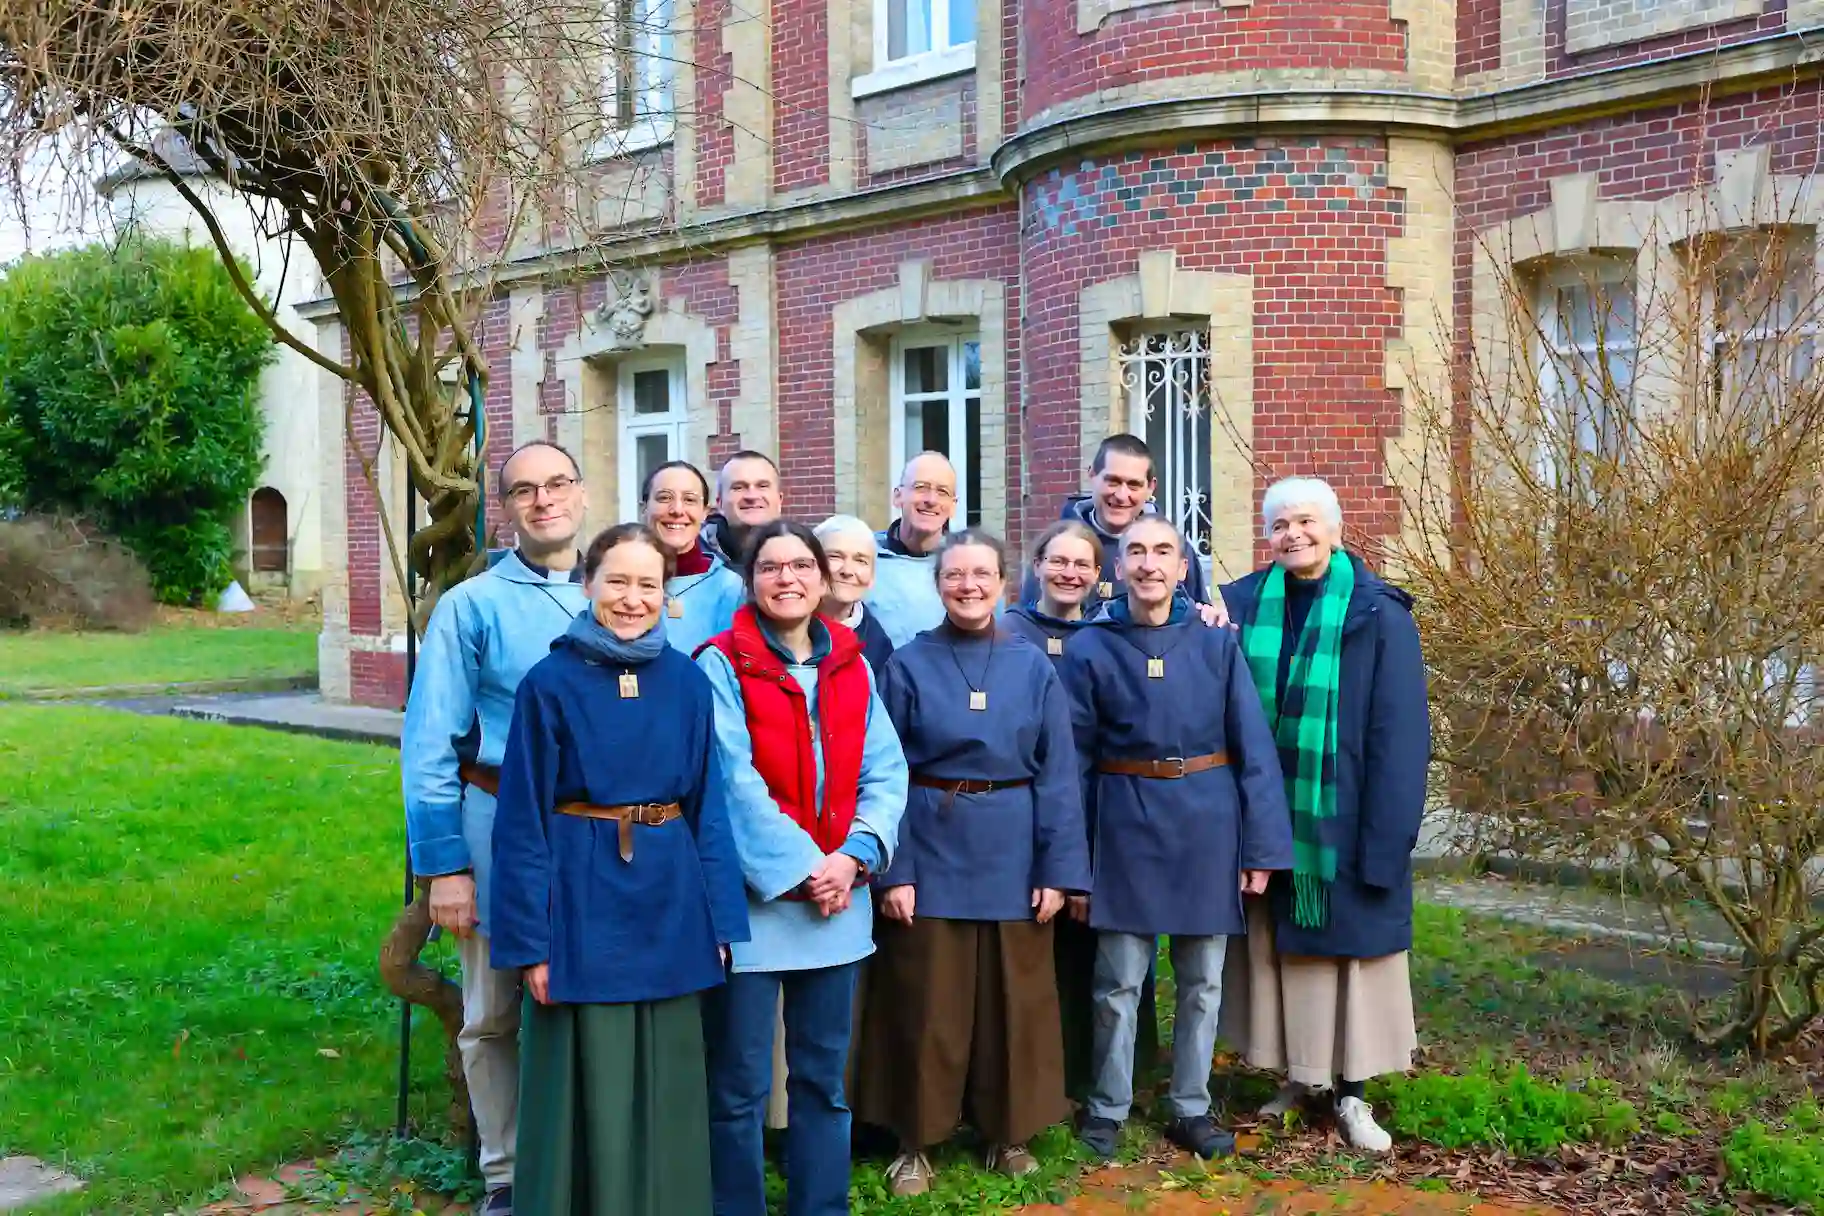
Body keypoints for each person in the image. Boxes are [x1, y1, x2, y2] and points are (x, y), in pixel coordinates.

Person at [489, 523, 750, 1216]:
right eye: (619, 582)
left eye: (649, 585)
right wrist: (530, 943)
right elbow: (520, 822)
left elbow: (710, 809)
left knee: (668, 1066)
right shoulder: (548, 684)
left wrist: (721, 920)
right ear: (588, 585)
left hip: (670, 895)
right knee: (589, 1067)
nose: (633, 599)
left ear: (667, 597)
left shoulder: (689, 682)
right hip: (580, 893)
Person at [856, 529, 1089, 1195]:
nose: (968, 586)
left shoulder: (1032, 667)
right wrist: (893, 871)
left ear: (1005, 585)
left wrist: (1057, 870)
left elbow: (1060, 776)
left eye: (981, 574)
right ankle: (916, 1139)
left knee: (1014, 1002)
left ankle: (1005, 1132)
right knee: (928, 1001)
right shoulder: (906, 664)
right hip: (929, 844)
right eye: (955, 575)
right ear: (939, 585)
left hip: (1014, 850)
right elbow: (885, 773)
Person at [1060, 515, 1292, 1162]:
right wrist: (1074, 863)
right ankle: (1107, 1106)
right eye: (1135, 551)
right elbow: (1071, 763)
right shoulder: (1090, 648)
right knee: (1118, 983)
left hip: (1206, 824)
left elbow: (1252, 746)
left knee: (1203, 982)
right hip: (1123, 822)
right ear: (1118, 567)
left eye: (1163, 551)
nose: (1149, 563)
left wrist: (1262, 847)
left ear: (1183, 568)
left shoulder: (1216, 643)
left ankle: (1189, 1105)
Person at [695, 520, 909, 1216]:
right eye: (771, 568)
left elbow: (885, 771)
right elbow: (731, 782)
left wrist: (852, 859)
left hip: (837, 906)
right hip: (757, 907)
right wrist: (802, 868)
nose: (787, 579)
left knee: (822, 1080)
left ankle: (821, 1207)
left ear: (823, 580)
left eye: (800, 566)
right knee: (739, 1086)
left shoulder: (853, 662)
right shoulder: (719, 663)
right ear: (751, 582)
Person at [400, 439, 591, 1216]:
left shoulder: (624, 588)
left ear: (580, 493)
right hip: (495, 821)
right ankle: (508, 1172)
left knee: (589, 998)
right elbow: (428, 743)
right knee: (493, 1011)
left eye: (556, 485)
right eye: (523, 491)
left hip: (600, 837)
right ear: (504, 508)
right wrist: (445, 865)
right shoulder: (470, 606)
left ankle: (587, 1153)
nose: (542, 500)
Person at [1216, 478, 1430, 1154]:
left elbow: (1402, 737)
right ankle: (1299, 1077)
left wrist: (1386, 843)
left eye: (1306, 521)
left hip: (1344, 820)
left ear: (1335, 531)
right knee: (1278, 959)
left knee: (1350, 965)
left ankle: (1354, 1093)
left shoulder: (1380, 614)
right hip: (1269, 822)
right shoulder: (1243, 606)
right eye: (1279, 524)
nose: (1292, 534)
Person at [1001, 520, 1155, 1104]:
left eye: (1082, 564)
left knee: (1109, 944)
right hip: (1025, 803)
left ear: (1098, 576)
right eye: (1057, 561)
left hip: (1103, 802)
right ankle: (1045, 1077)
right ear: (1036, 565)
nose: (1069, 573)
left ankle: (1116, 1075)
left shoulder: (1111, 633)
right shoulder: (1007, 631)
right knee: (1043, 944)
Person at [1020, 434, 1211, 612]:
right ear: (1092, 475)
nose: (1121, 495)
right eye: (1113, 481)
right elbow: (1028, 625)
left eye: (1133, 485)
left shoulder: (1175, 549)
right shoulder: (1056, 549)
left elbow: (1200, 620)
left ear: (1151, 487)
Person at [642, 460, 745, 655]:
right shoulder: (619, 579)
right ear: (644, 507)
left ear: (705, 512)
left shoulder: (730, 587)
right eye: (664, 498)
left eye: (689, 500)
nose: (677, 510)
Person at [869, 451, 957, 647]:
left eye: (942, 492)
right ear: (897, 497)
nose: (931, 500)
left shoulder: (968, 566)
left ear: (953, 506)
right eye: (920, 487)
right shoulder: (864, 557)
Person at [813, 514, 895, 677]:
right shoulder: (786, 627)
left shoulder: (879, 647)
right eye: (835, 556)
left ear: (871, 577)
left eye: (861, 561)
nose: (847, 571)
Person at [704, 450, 784, 564]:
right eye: (738, 487)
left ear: (779, 500)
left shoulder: (804, 555)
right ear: (719, 503)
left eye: (762, 486)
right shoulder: (689, 558)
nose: (752, 496)